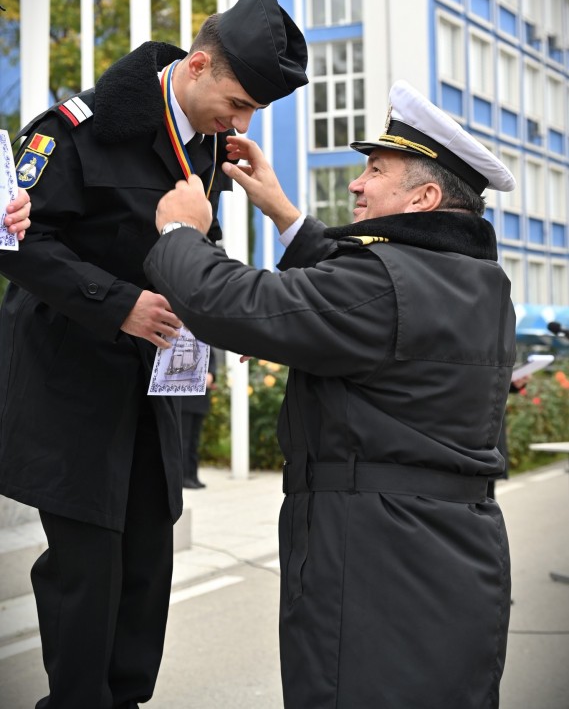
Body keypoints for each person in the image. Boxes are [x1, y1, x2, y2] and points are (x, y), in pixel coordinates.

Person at [144, 80, 517, 709]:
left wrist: (180, 234)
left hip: (376, 557)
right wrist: (284, 213)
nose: (356, 185)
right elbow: (366, 294)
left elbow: (232, 304)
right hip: (444, 553)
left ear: (424, 198)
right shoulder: (479, 282)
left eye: (375, 170)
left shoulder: (385, 285)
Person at [0, 0, 307, 709]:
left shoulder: (206, 146)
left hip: (154, 391)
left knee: (147, 560)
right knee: (86, 567)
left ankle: (126, 697)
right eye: (238, 102)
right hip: (70, 382)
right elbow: (19, 246)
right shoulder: (69, 130)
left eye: (254, 111)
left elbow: (196, 237)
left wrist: (215, 315)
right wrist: (120, 305)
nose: (243, 121)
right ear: (197, 65)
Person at [181, 347, 217, 489]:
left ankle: (193, 475)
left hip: (200, 399)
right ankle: (184, 477)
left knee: (194, 441)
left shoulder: (205, 342)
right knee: (184, 440)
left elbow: (212, 362)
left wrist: (212, 375)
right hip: (184, 399)